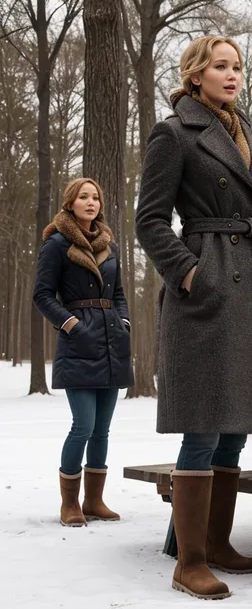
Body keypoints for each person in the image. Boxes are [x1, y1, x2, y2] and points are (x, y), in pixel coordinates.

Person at [136, 35, 252, 599]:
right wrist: (191, 273)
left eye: (238, 66)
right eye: (221, 66)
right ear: (195, 75)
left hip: (249, 286)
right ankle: (189, 561)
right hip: (208, 290)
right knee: (201, 424)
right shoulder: (174, 133)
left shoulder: (246, 134)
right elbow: (149, 221)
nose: (232, 75)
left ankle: (218, 543)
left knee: (234, 426)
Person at [33, 178, 134, 527]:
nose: (91, 202)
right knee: (83, 425)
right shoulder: (57, 244)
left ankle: (94, 500)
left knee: (102, 430)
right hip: (79, 340)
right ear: (70, 203)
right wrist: (72, 325)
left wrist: (124, 321)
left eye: (95, 197)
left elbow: (118, 292)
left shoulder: (111, 246)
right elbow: (42, 295)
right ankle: (70, 503)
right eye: (83, 197)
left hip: (111, 340)